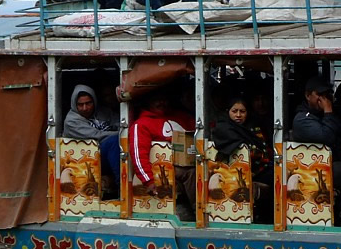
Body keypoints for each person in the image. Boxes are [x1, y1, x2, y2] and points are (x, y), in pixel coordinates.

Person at [291, 76, 341, 224]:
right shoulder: (302, 119)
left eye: (327, 95)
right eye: (320, 95)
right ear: (308, 96)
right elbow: (327, 137)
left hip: (331, 161)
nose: (325, 100)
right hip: (312, 168)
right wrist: (328, 112)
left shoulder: (330, 114)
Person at [130, 90, 196, 219]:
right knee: (191, 172)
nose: (161, 103)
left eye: (164, 99)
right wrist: (148, 180)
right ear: (148, 102)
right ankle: (199, 212)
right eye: (156, 99)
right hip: (162, 169)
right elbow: (138, 154)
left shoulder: (181, 117)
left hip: (189, 161)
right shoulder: (141, 124)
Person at [212, 96, 274, 222]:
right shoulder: (224, 128)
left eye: (242, 111)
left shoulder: (253, 126)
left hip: (259, 168)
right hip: (236, 172)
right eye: (234, 111)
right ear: (228, 111)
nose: (238, 115)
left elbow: (263, 147)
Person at [63, 83, 121, 195]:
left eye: (88, 103)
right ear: (75, 105)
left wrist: (122, 132)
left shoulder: (104, 112)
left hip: (106, 156)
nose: (85, 108)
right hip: (84, 160)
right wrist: (120, 134)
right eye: (80, 105)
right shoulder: (71, 121)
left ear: (94, 101)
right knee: (114, 141)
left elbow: (120, 123)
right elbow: (97, 135)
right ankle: (122, 187)